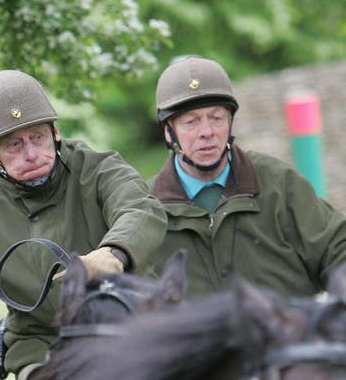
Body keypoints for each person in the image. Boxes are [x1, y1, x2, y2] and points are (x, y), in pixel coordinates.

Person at [0, 69, 166, 380]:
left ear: (55, 131)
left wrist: (113, 253)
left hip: (134, 327)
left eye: (38, 137)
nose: (31, 154)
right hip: (43, 351)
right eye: (14, 145)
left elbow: (142, 208)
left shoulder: (99, 168)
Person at [148, 55, 346, 297]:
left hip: (289, 332)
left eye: (216, 118)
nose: (207, 132)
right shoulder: (146, 211)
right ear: (169, 133)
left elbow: (338, 249)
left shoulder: (278, 182)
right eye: (191, 122)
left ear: (230, 122)